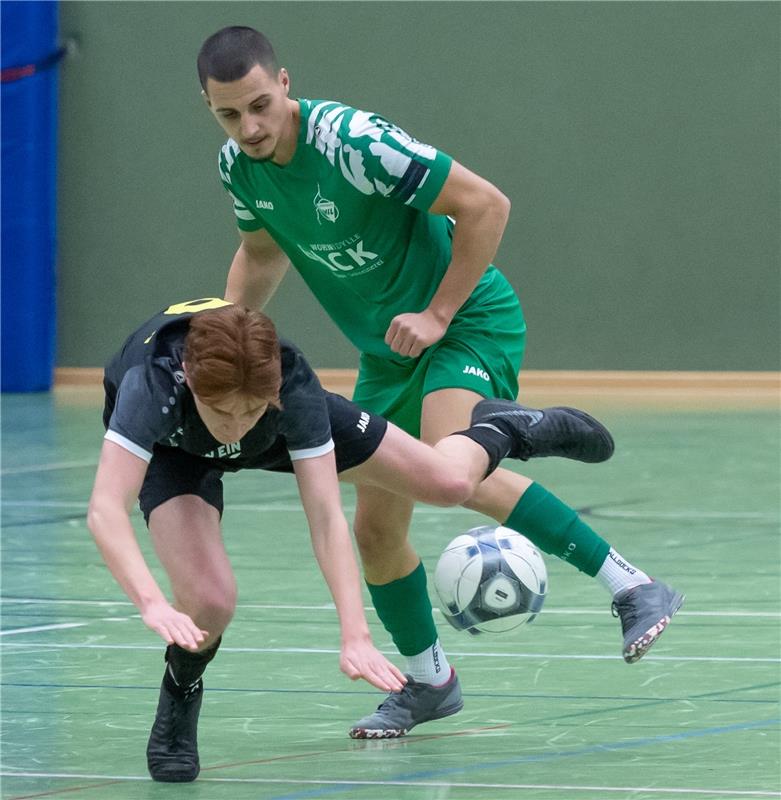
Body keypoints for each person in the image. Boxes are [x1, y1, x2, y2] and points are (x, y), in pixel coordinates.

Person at [196, 26, 685, 739]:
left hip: (462, 320)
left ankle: (631, 583)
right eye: (229, 115)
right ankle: (429, 684)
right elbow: (261, 250)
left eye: (261, 105)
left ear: (285, 83)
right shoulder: (239, 167)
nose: (251, 127)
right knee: (375, 527)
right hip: (388, 351)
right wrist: (225, 336)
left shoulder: (354, 143)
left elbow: (486, 204)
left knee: (447, 468)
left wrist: (436, 312)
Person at [87, 298, 616, 781]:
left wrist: (355, 631)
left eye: (250, 410)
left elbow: (325, 516)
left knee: (448, 482)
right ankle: (180, 695)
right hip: (176, 450)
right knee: (209, 602)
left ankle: (508, 430)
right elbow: (106, 510)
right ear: (190, 380)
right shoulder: (152, 385)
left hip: (280, 429)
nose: (235, 427)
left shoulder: (288, 386)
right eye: (224, 413)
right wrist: (151, 601)